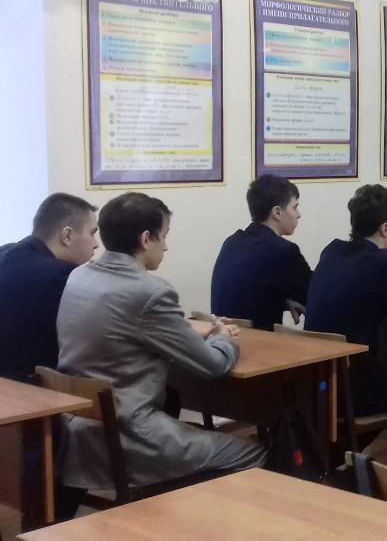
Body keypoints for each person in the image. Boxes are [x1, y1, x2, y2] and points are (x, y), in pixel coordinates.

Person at [56, 192, 265, 491]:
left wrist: (185, 335)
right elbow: (214, 364)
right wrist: (222, 338)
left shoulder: (79, 276)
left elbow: (124, 333)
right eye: (164, 236)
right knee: (255, 453)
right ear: (146, 239)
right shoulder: (150, 292)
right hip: (133, 435)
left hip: (81, 430)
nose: (165, 245)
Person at [305, 184, 387, 415]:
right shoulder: (384, 263)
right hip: (354, 389)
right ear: (385, 228)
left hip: (317, 382)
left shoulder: (332, 252)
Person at [0, 193, 98, 381]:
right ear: (67, 235)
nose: (96, 244)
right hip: (28, 388)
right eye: (92, 233)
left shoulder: (7, 253)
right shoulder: (61, 275)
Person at [211, 175, 311, 330]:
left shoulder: (232, 242)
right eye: (294, 207)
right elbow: (317, 296)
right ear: (277, 212)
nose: (298, 214)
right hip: (259, 342)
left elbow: (250, 294)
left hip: (224, 338)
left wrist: (283, 301)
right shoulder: (283, 251)